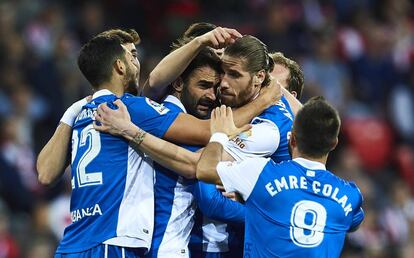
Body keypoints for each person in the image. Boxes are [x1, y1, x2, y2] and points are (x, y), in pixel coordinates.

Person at [36, 27, 278, 257]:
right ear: (120, 66)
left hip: (73, 243)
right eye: (132, 55)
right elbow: (202, 134)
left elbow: (45, 174)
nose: (137, 61)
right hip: (116, 240)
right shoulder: (134, 108)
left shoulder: (82, 111)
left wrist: (72, 111)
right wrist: (264, 100)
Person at [196, 98, 365, 257]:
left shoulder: (260, 173)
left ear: (291, 139)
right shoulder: (350, 196)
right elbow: (353, 223)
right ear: (334, 143)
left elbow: (204, 170)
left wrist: (218, 135)